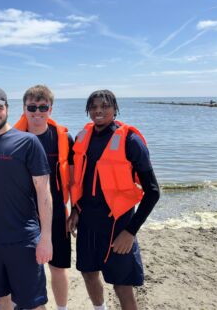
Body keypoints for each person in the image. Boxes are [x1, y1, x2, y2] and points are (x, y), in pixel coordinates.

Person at [67, 90, 160, 310]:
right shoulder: (82, 138)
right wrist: (75, 210)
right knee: (88, 273)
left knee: (122, 285)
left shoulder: (130, 140)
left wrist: (130, 232)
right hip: (88, 221)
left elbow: (153, 192)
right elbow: (79, 181)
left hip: (118, 224)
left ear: (115, 109)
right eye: (94, 106)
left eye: (105, 106)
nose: (98, 111)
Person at [0, 86, 53, 310]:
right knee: (0, 300)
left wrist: (45, 238)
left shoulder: (27, 142)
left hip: (23, 240)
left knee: (33, 304)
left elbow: (43, 192)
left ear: (7, 109)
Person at [14, 85, 73, 310]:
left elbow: (76, 180)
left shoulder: (64, 138)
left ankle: (61, 308)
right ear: (23, 108)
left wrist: (75, 209)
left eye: (42, 107)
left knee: (58, 267)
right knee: (26, 267)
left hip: (57, 211)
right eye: (32, 107)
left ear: (50, 109)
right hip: (23, 213)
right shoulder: (14, 138)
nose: (37, 112)